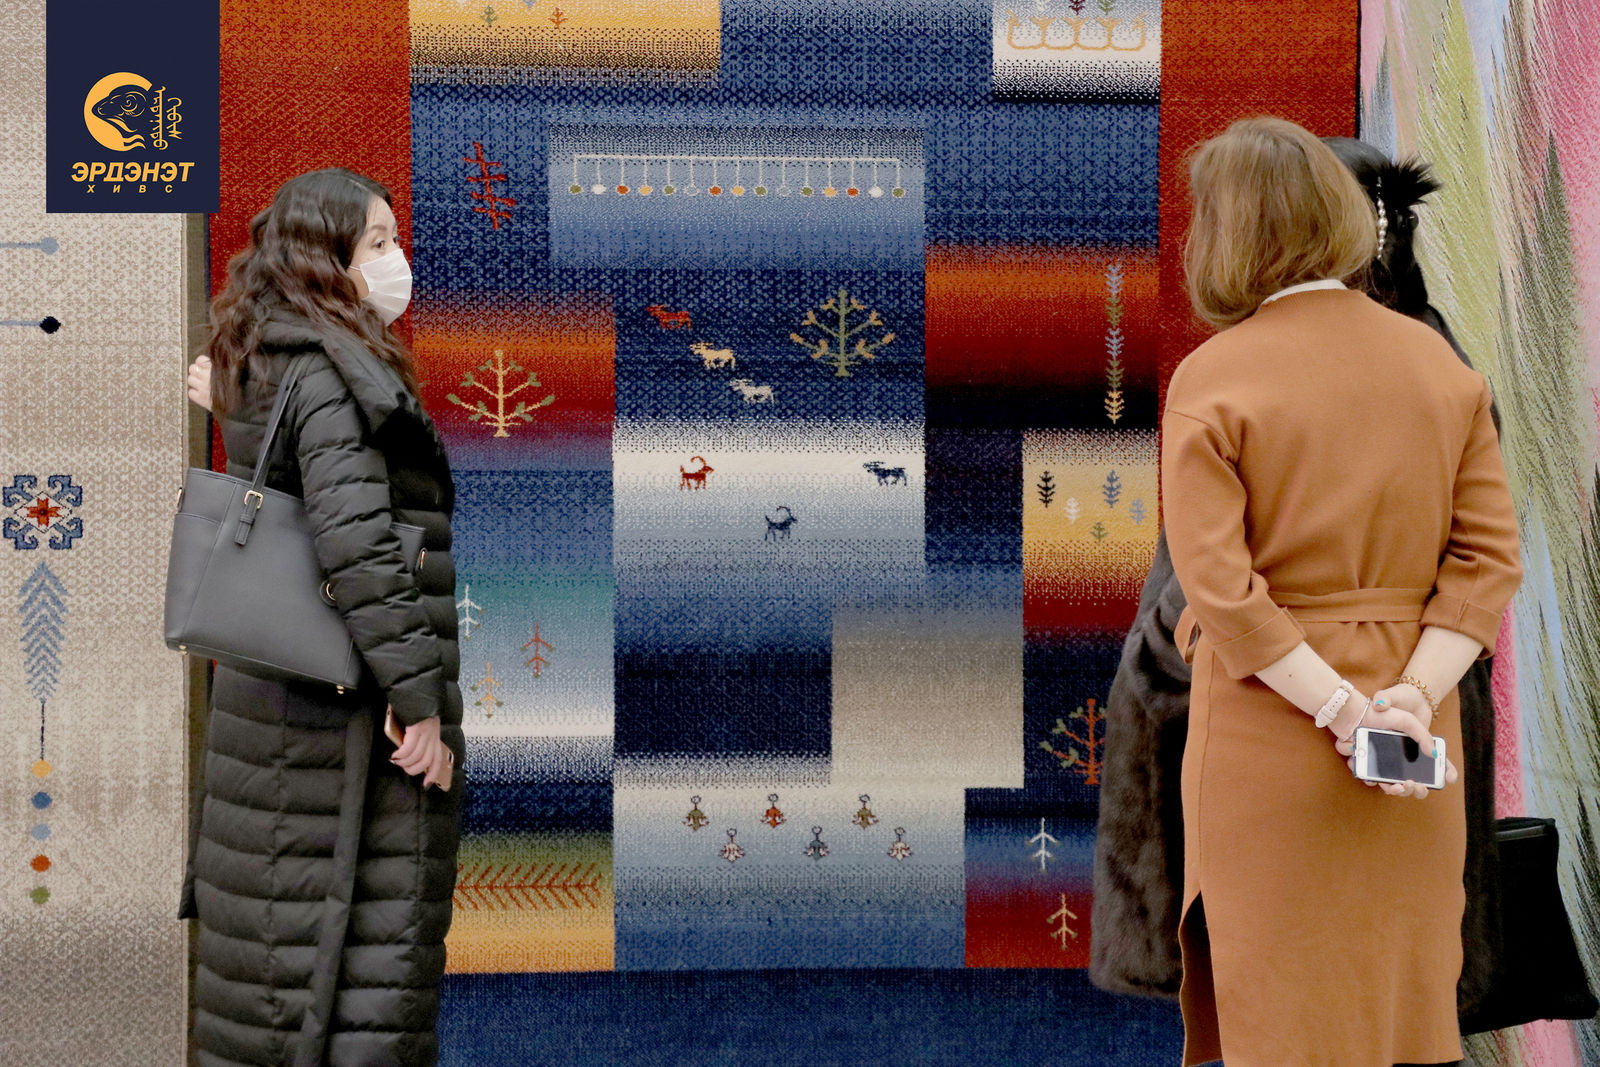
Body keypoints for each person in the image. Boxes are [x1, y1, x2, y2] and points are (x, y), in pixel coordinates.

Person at [1089, 140, 1508, 1022]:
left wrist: (1339, 708)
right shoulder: (1446, 368)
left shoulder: (1221, 373)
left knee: (1276, 1000)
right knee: (1402, 998)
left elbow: (1215, 590)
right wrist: (1406, 699)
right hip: (1420, 722)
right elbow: (1485, 563)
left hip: (1274, 714)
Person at [179, 167, 464, 1066]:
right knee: (358, 974)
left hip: (272, 714)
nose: (395, 259)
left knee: (271, 964)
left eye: (392, 238)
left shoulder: (263, 358)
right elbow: (359, 548)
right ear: (324, 258)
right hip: (343, 724)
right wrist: (419, 704)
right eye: (375, 243)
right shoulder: (334, 374)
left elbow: (294, 488)